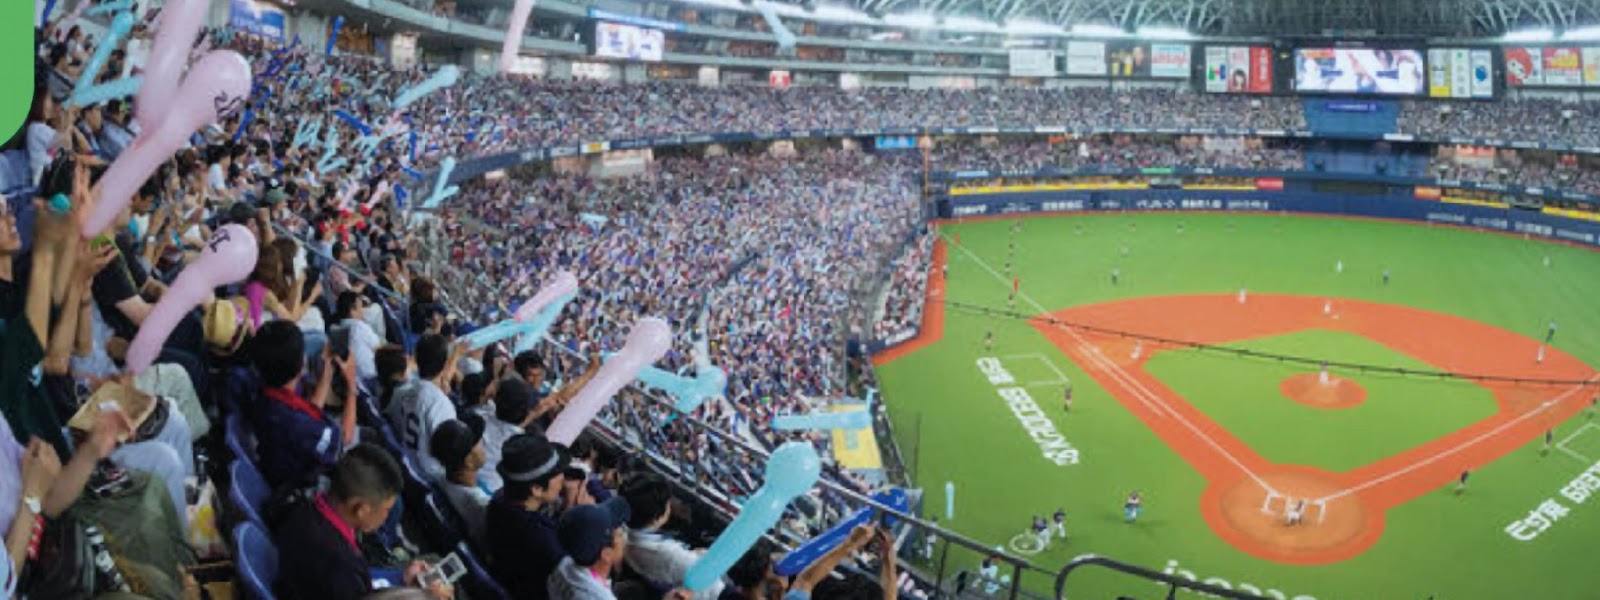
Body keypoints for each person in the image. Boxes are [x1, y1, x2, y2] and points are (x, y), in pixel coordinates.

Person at [275, 444, 452, 600]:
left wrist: (402, 579)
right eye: (386, 510)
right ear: (361, 509)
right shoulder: (342, 567)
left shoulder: (304, 505)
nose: (385, 517)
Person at [251, 320, 358, 491]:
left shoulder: (267, 393)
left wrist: (327, 372)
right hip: (305, 486)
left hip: (282, 463)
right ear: (301, 365)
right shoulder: (296, 422)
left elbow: (309, 412)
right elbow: (344, 437)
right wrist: (352, 384)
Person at [487, 433, 570, 599]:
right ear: (537, 489)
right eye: (558, 473)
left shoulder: (497, 503)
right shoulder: (543, 541)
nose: (563, 478)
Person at [620, 472, 723, 598]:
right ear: (656, 516)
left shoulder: (622, 534)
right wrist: (700, 558)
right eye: (668, 503)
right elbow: (716, 590)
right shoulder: (673, 556)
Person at [387, 333, 459, 482]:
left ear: (416, 360)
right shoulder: (442, 406)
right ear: (445, 365)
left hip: (407, 463)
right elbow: (448, 457)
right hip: (429, 477)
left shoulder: (402, 391)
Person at [431, 416, 490, 545]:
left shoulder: (438, 479)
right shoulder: (482, 505)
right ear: (468, 461)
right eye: (478, 443)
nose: (483, 445)